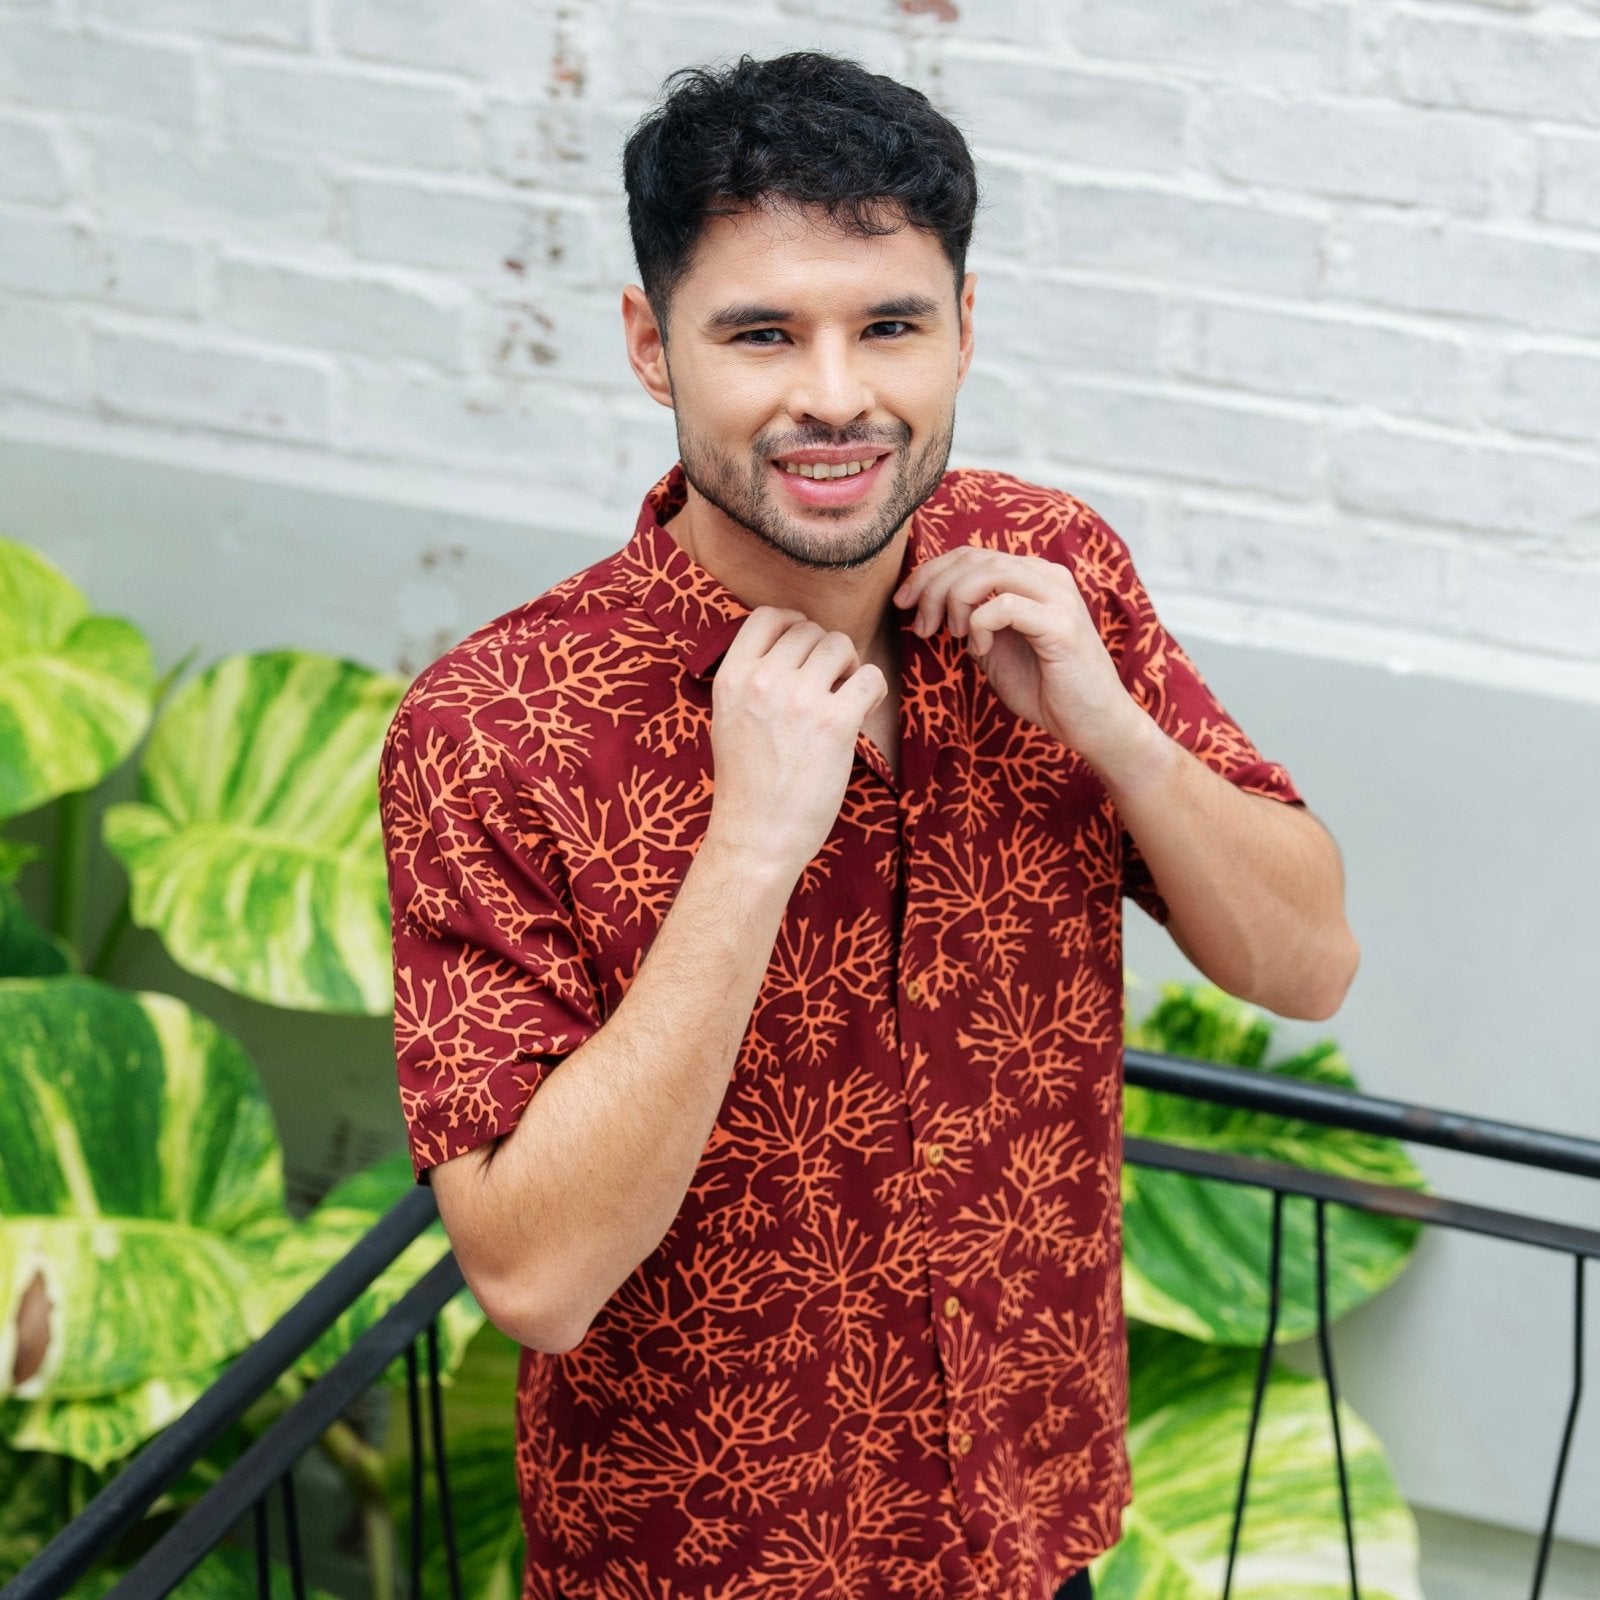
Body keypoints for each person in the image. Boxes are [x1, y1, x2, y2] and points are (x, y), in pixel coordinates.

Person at [378, 50, 1359, 1600]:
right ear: (652, 345)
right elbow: (536, 1278)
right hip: (708, 1568)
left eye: (889, 325)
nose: (835, 394)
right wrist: (753, 846)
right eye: (761, 333)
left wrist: (1113, 735)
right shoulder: (499, 730)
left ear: (966, 329)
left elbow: (1309, 967)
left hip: (1030, 1533)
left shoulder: (1049, 565)